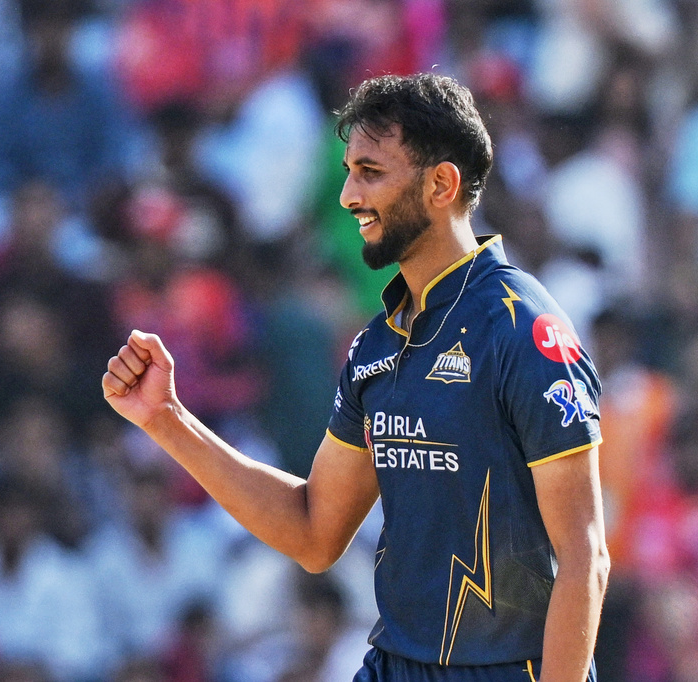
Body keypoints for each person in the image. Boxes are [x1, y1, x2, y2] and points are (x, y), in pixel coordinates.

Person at [103, 73, 609, 682]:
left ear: (441, 184)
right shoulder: (378, 342)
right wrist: (168, 419)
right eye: (348, 170)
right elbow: (315, 532)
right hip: (394, 666)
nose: (346, 195)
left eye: (370, 172)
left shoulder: (522, 330)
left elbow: (585, 556)